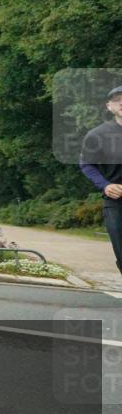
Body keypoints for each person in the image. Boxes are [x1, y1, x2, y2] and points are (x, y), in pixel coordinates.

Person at [80, 85, 122, 277]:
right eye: (117, 99)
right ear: (109, 106)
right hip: (116, 202)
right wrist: (105, 185)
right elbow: (87, 164)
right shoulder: (97, 135)